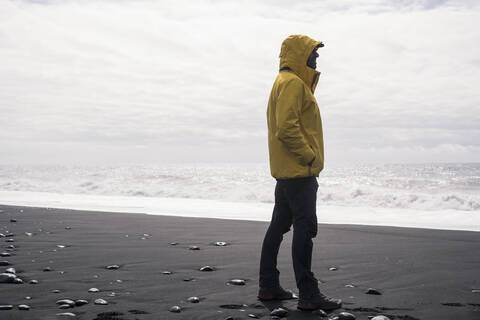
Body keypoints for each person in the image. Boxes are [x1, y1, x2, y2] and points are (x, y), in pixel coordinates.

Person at [258, 34, 342, 311]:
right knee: (305, 231)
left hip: (287, 172)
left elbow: (285, 127)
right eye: (312, 53)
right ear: (298, 54)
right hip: (299, 172)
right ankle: (308, 294)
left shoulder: (283, 82)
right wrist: (310, 156)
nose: (316, 58)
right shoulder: (293, 84)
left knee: (278, 228)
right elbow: (287, 128)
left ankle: (268, 286)